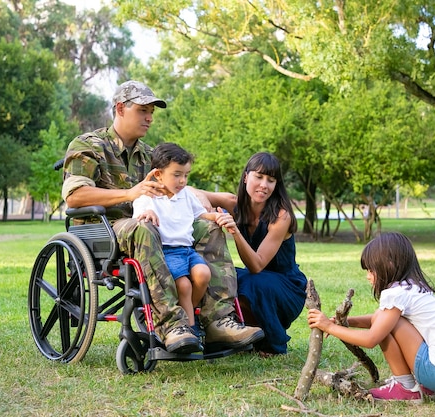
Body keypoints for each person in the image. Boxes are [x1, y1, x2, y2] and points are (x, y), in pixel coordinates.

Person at [61, 80, 264, 354]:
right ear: (121, 108)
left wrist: (216, 204)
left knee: (209, 226)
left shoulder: (151, 155)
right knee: (142, 227)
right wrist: (130, 193)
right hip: (102, 229)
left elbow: (181, 190)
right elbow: (75, 196)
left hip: (155, 229)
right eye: (143, 110)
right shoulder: (89, 145)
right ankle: (171, 326)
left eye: (152, 112)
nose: (149, 117)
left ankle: (218, 321)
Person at [307, 232, 435, 403]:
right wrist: (347, 322)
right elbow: (379, 318)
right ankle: (423, 387)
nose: (368, 276)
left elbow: (372, 338)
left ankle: (406, 387)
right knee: (383, 318)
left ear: (389, 265)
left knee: (384, 323)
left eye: (371, 270)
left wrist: (330, 327)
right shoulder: (412, 288)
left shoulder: (396, 294)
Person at [132, 142, 232, 336]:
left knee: (203, 274)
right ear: (158, 174)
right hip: (166, 251)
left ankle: (184, 316)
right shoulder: (148, 197)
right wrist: (149, 211)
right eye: (176, 175)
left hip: (187, 250)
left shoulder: (186, 195)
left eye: (186, 175)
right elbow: (140, 216)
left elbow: (200, 215)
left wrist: (216, 217)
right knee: (184, 285)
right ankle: (191, 326)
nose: (182, 181)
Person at [216, 152, 308, 355]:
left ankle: (271, 342)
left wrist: (235, 232)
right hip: (258, 280)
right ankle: (237, 336)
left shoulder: (281, 216)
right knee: (221, 276)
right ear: (246, 177)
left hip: (287, 287)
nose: (264, 185)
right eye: (259, 177)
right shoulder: (235, 204)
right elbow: (191, 192)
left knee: (252, 281)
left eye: (271, 180)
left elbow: (257, 266)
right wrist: (208, 212)